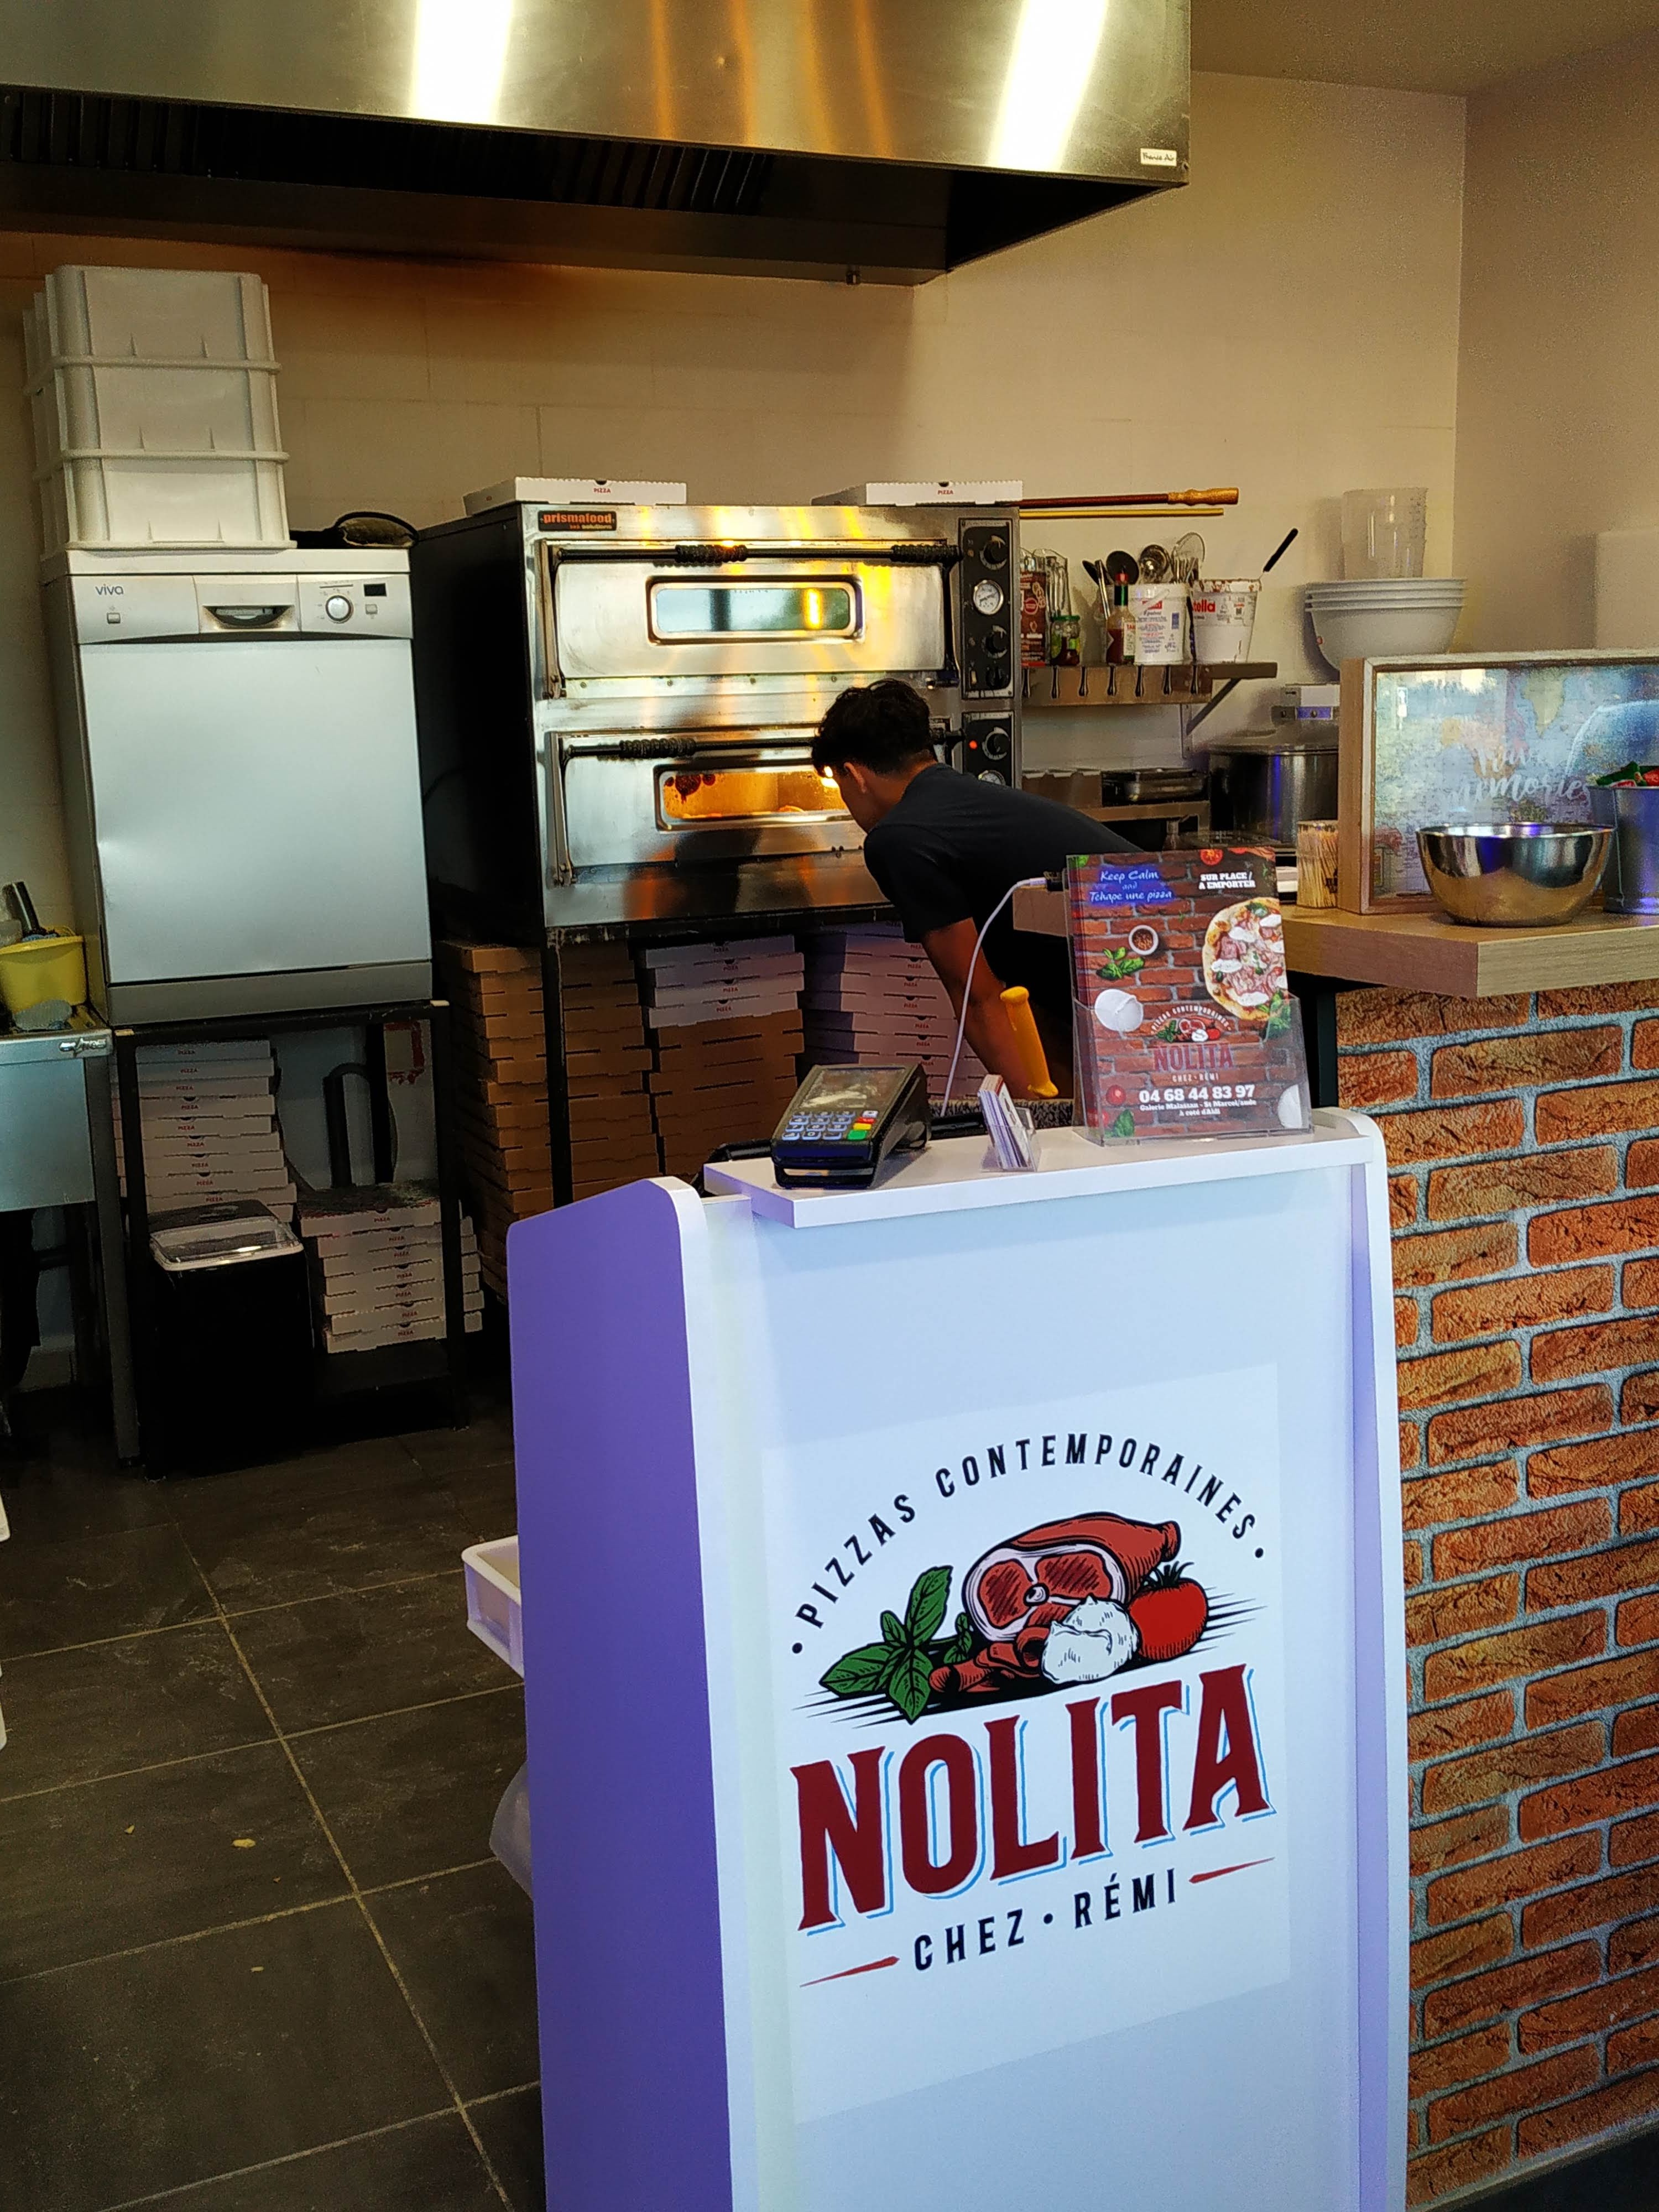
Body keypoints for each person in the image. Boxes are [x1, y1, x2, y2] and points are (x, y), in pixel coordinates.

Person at [812, 679, 1136, 1099]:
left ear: (854, 776)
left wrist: (1036, 1116)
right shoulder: (963, 799)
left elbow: (978, 998)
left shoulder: (899, 839)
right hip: (1167, 938)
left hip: (1139, 973)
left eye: (838, 785)